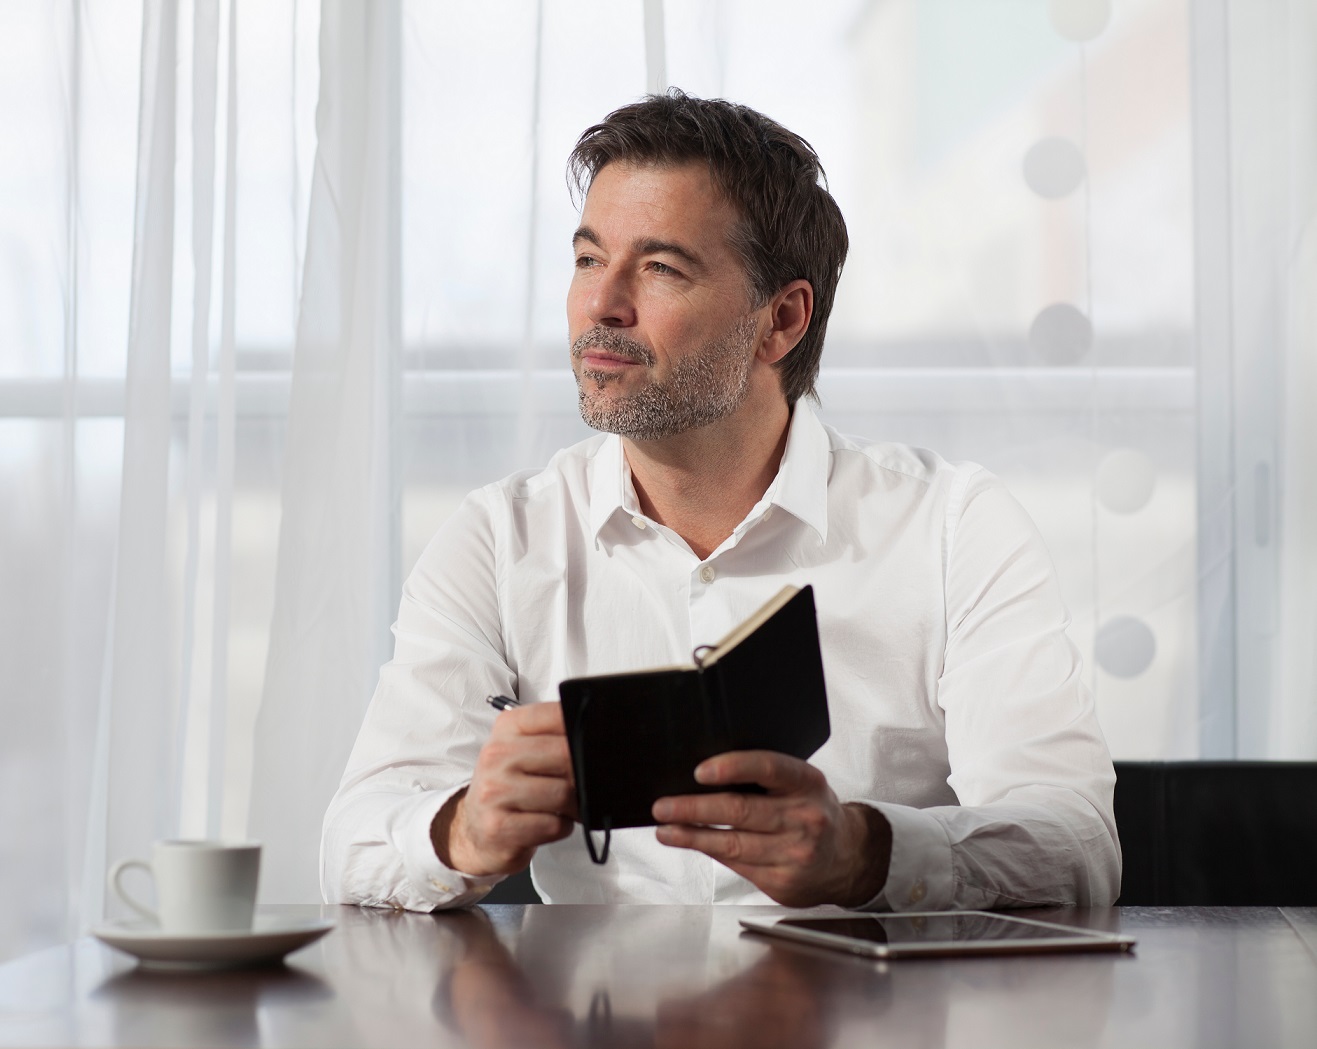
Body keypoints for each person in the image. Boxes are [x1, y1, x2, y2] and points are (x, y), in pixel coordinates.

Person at [321, 91, 1121, 912]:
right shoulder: (500, 537)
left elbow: (1076, 844)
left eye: (660, 268)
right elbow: (353, 840)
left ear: (780, 320)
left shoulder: (953, 526)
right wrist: (459, 832)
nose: (601, 305)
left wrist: (866, 852)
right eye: (588, 259)